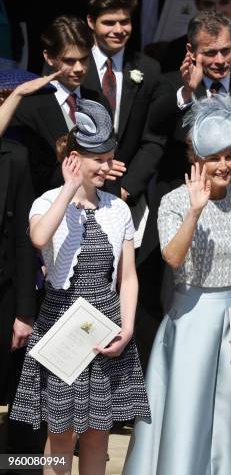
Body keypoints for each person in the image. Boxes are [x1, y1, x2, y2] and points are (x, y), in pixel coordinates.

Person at [122, 95, 231, 475]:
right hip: (192, 320)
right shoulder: (175, 201)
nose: (225, 165)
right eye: (216, 157)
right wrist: (195, 211)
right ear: (197, 161)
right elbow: (172, 258)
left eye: (229, 155)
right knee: (188, 416)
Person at [9, 98, 150, 474]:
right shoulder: (47, 202)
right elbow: (39, 239)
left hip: (104, 323)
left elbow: (128, 276)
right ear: (74, 158)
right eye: (98, 159)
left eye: (110, 157)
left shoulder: (117, 209)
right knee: (61, 434)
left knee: (97, 433)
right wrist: (68, 189)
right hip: (61, 322)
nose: (107, 167)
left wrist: (128, 326)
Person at [0, 71, 57, 467]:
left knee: (15, 395)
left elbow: (24, 242)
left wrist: (24, 312)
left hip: (4, 294)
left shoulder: (15, 157)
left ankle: (20, 466)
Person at [84, 0, 167, 204]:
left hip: (126, 192)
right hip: (76, 187)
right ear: (91, 22)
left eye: (125, 22)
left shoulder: (149, 69)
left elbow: (154, 138)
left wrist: (128, 189)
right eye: (109, 22)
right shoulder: (75, 65)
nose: (119, 30)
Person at [8, 16, 107, 197]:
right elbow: (29, 174)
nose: (79, 68)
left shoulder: (97, 99)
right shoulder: (28, 106)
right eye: (69, 60)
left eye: (84, 59)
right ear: (49, 57)